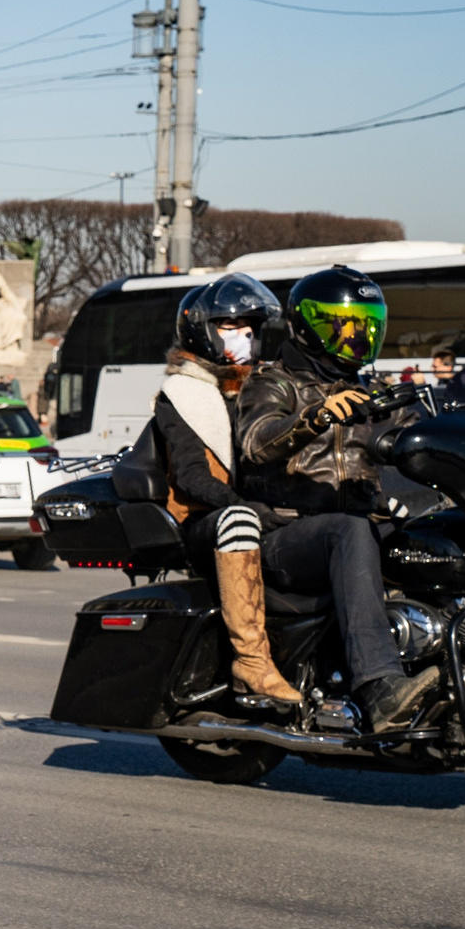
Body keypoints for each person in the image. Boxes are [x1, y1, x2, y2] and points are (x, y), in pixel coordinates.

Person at [236, 267, 438, 732]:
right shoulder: (274, 382)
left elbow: (418, 442)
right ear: (308, 326)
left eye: (364, 326)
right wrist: (314, 417)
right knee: (349, 529)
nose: (355, 338)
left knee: (441, 537)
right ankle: (379, 685)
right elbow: (255, 441)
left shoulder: (375, 392)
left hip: (358, 527)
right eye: (342, 325)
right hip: (287, 533)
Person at [148, 275, 299, 707]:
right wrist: (244, 505)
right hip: (200, 521)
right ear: (204, 331)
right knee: (240, 520)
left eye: (251, 328)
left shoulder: (256, 388)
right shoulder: (181, 394)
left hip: (250, 510)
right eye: (232, 328)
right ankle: (252, 660)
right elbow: (193, 479)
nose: (245, 337)